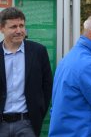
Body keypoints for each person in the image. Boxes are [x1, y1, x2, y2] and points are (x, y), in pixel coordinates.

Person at [0, 7, 53, 137]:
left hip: (27, 124)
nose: (19, 31)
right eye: (13, 27)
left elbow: (47, 86)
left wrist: (38, 113)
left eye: (21, 26)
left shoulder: (38, 51)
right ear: (2, 28)